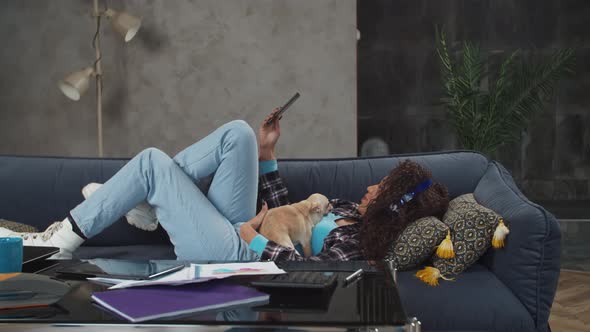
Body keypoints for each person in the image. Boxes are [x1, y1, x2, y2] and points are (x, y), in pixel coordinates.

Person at [0, 110, 449, 262]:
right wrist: (268, 153)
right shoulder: (350, 209)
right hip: (243, 228)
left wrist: (253, 240)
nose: (372, 186)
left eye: (382, 187)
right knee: (240, 134)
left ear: (392, 205)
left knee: (153, 163)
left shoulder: (355, 243)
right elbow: (285, 213)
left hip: (239, 256)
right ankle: (152, 207)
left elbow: (308, 274)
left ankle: (60, 241)